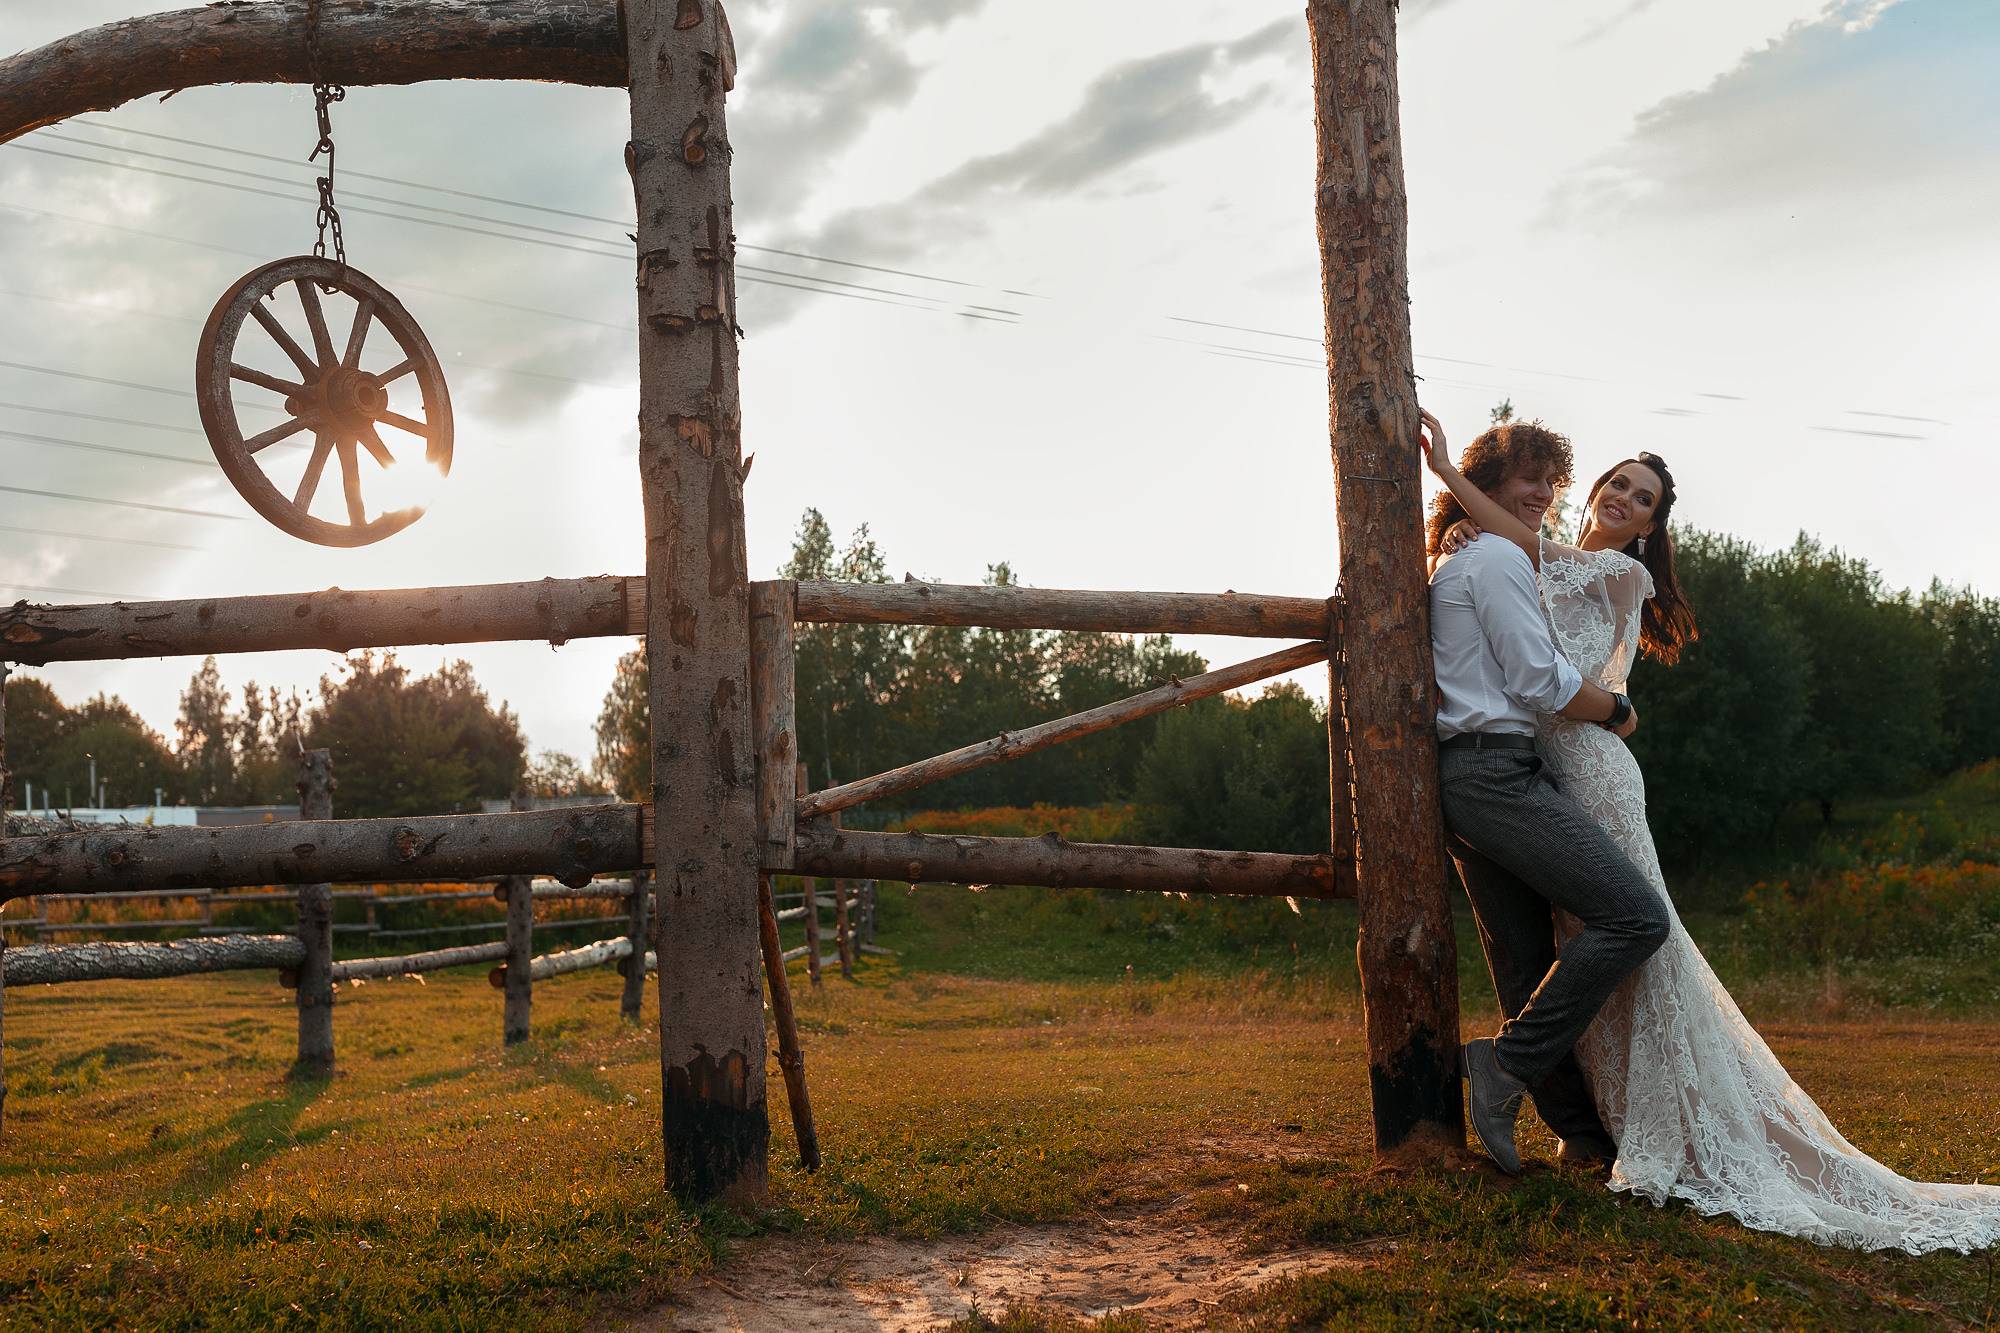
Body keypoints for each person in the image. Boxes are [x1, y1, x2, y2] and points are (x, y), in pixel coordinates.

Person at [1423, 411, 2000, 1253]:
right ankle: (1589, 1127)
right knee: (1559, 946)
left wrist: (1450, 481)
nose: (1622, 498)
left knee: (1636, 936)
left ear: (1651, 528)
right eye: (1616, 482)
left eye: (1643, 498)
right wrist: (1457, 521)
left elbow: (1533, 588)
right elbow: (1506, 567)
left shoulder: (1613, 571)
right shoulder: (1506, 553)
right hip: (1532, 770)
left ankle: (1620, 1113)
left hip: (1586, 767)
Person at [1421, 414, 1670, 1177]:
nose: (1542, 493)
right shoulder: (1498, 555)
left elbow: (1531, 569)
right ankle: (1507, 1067)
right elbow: (1539, 677)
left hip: (1484, 773)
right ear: (1492, 483)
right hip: (1500, 771)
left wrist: (1457, 518)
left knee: (1530, 962)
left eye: (1549, 481)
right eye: (1529, 478)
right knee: (1631, 918)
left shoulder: (1481, 556)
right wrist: (1618, 708)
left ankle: (1583, 1135)